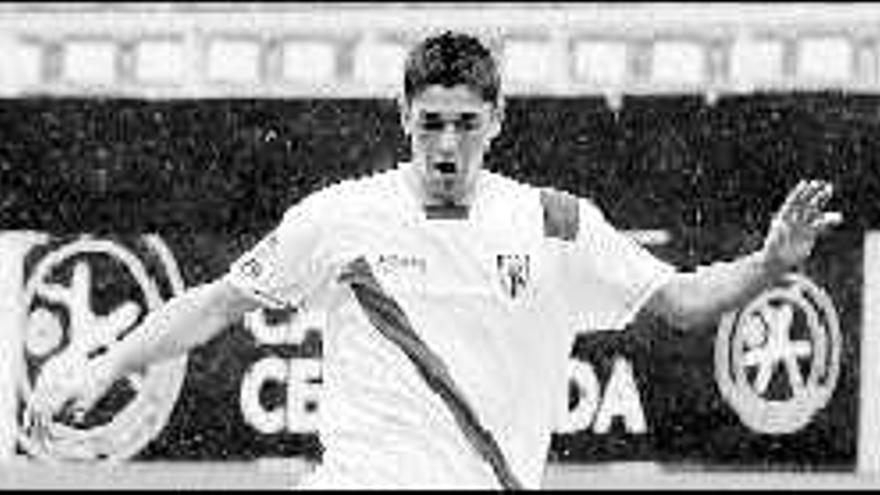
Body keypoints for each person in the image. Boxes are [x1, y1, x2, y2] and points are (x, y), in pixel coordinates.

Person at [28, 31, 841, 489]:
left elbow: (680, 299)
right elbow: (213, 303)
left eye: (463, 121)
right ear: (403, 117)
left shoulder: (554, 222)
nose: (445, 142)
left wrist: (768, 264)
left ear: (497, 119)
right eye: (430, 122)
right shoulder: (342, 215)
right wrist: (105, 364)